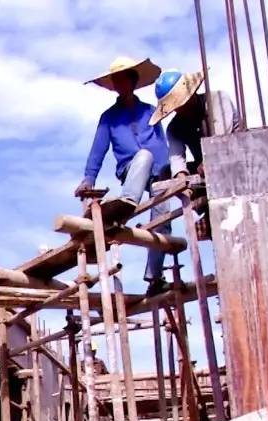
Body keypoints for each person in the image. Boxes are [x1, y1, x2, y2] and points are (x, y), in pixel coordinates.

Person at [75, 56, 173, 296]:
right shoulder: (108, 118)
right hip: (132, 169)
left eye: (123, 79)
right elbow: (98, 150)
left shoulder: (150, 111)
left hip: (158, 172)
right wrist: (89, 178)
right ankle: (126, 204)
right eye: (115, 80)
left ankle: (155, 277)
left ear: (132, 81)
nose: (119, 84)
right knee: (144, 155)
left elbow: (162, 143)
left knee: (163, 217)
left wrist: (168, 174)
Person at [150, 69, 244, 182]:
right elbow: (176, 158)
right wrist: (180, 177)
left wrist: (207, 162)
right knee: (166, 172)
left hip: (237, 157)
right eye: (177, 106)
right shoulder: (174, 128)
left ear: (192, 93)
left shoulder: (218, 99)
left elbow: (220, 139)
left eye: (185, 101)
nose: (183, 107)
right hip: (203, 168)